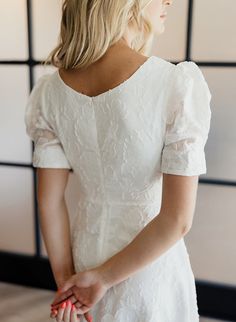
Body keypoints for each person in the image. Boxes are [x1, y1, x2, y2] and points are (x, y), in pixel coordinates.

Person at [24, 0, 212, 321]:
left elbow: (49, 202)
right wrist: (104, 278)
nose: (169, 2)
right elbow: (177, 219)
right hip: (148, 266)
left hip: (84, 259)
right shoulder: (176, 84)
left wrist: (67, 286)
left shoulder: (48, 92)